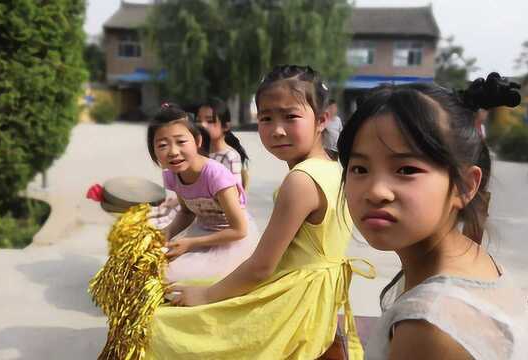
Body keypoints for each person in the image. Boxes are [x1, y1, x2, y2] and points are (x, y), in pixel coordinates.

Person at [145, 65, 371, 359]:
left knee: (160, 324)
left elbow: (261, 267)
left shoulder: (300, 181)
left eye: (290, 116)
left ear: (322, 119)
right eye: (266, 118)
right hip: (316, 301)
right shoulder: (333, 167)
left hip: (294, 306)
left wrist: (205, 296)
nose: (277, 130)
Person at [338, 74, 528, 359]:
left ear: (466, 185)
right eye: (360, 168)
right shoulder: (471, 259)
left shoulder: (429, 327)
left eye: (406, 169)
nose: (376, 192)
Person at [146, 104, 259, 283]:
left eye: (181, 142)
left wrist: (190, 244)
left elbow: (239, 230)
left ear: (197, 141)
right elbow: (186, 212)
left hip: (230, 240)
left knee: (169, 276)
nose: (173, 152)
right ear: (153, 151)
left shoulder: (215, 175)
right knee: (147, 266)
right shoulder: (172, 174)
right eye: (162, 145)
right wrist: (165, 234)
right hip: (201, 231)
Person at [197, 98, 250, 189]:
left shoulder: (230, 157)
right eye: (198, 120)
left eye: (209, 121)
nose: (202, 125)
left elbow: (236, 195)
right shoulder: (198, 153)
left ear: (226, 126)